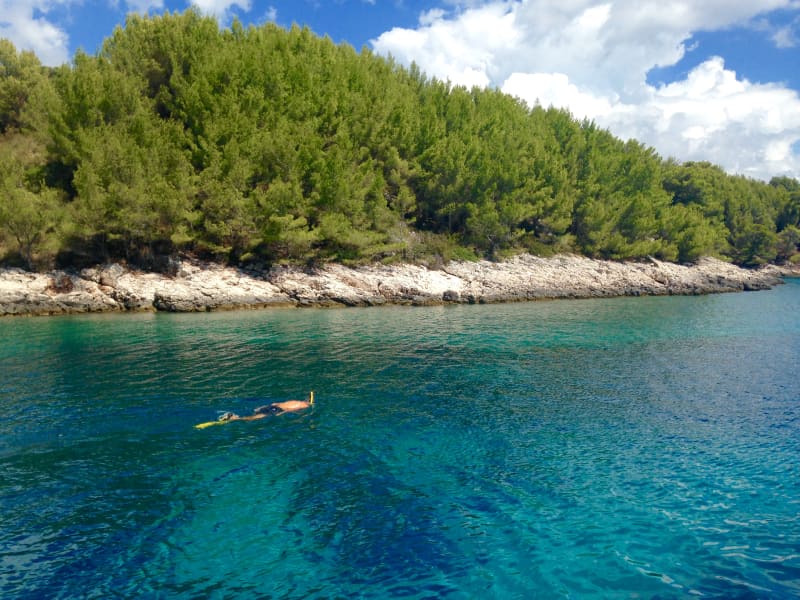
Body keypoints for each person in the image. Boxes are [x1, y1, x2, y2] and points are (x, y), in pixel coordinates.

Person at [219, 391, 314, 422]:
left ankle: (235, 417)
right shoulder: (304, 405)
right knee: (254, 418)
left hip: (269, 407)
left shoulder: (293, 401)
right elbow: (288, 410)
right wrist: (280, 413)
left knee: (256, 413)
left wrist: (261, 407)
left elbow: (274, 403)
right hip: (276, 410)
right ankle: (235, 418)